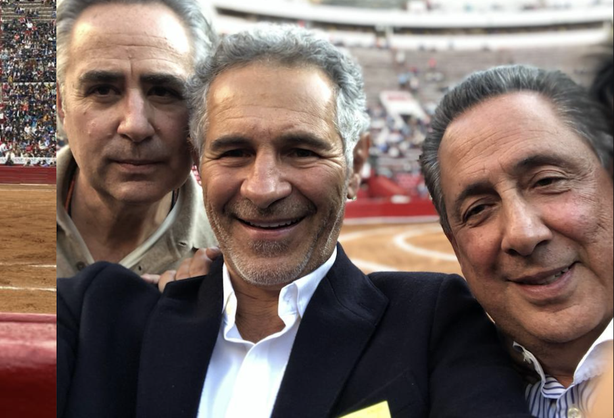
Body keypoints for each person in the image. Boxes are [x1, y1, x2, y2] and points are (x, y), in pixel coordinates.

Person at [57, 26, 533, 417]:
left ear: (355, 164)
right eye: (235, 152)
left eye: (301, 151)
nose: (263, 188)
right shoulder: (100, 313)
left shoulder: (434, 321)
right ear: (199, 163)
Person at [419, 65, 613, 417]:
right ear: (455, 245)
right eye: (478, 209)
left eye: (547, 181)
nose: (523, 233)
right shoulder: (428, 387)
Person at [55, 0, 217, 278]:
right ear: (62, 106)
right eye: (103, 90)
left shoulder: (238, 261)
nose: (135, 126)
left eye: (164, 92)